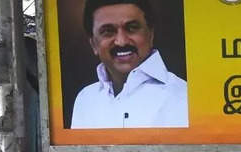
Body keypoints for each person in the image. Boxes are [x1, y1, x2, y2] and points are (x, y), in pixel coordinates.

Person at [71, 0, 188, 129]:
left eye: (131, 28)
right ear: (93, 44)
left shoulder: (183, 97)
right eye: (108, 31)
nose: (121, 42)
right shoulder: (85, 100)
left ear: (151, 35)